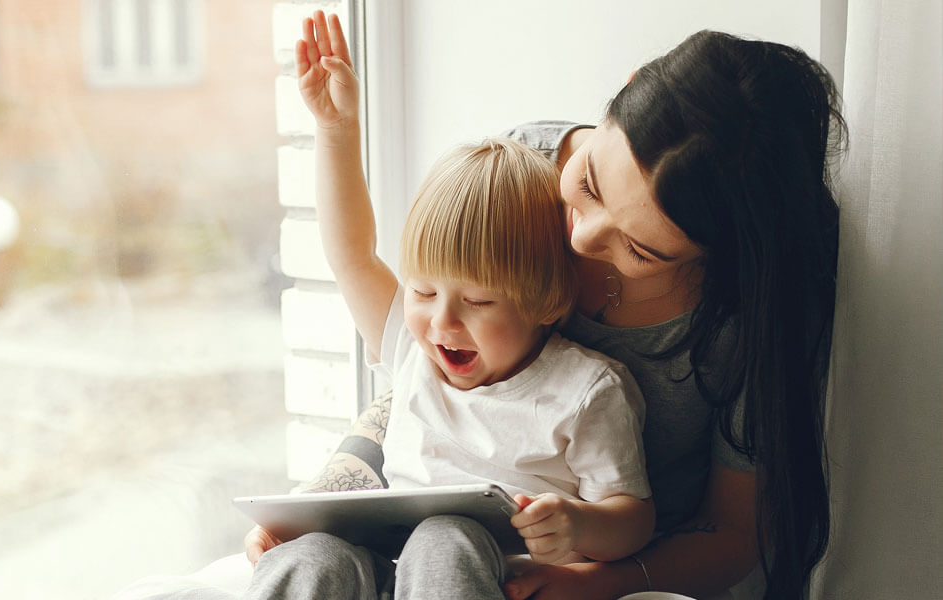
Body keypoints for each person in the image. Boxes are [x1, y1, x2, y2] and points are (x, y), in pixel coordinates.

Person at [273, 25, 843, 600]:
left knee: (446, 543)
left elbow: (729, 533)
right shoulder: (511, 178)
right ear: (627, 89)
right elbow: (394, 347)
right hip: (400, 544)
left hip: (588, 568)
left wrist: (593, 577)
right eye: (589, 185)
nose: (581, 240)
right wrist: (316, 509)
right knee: (311, 557)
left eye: (640, 249)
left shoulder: (615, 379)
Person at [239, 10, 657, 600]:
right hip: (386, 565)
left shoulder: (585, 391)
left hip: (487, 580)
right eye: (424, 291)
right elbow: (352, 255)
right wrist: (336, 130)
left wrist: (581, 524)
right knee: (311, 556)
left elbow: (634, 515)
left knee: (445, 537)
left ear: (547, 301)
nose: (442, 323)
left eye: (479, 300)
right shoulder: (415, 351)